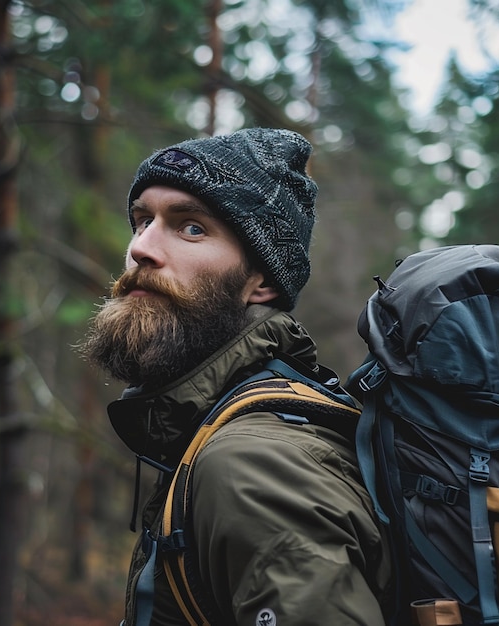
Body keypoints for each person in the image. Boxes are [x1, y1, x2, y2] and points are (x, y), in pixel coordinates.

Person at [80, 128, 392, 625]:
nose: (141, 248)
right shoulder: (219, 426)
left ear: (262, 281)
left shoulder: (253, 461)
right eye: (142, 221)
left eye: (191, 228)